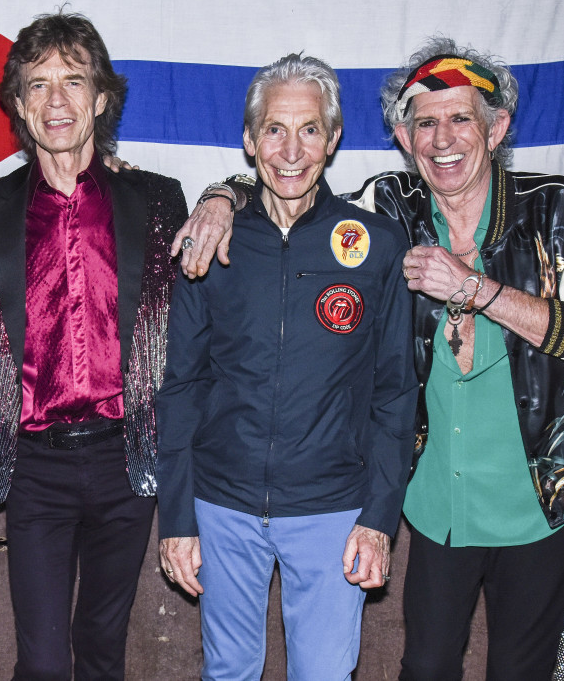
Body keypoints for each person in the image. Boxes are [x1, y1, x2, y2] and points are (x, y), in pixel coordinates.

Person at [173, 39, 564, 680]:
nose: (442, 138)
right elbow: (291, 187)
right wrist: (222, 196)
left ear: (497, 126)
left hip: (541, 495)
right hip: (437, 505)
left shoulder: (556, 209)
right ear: (402, 134)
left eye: (460, 118)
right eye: (425, 122)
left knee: (518, 669)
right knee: (424, 666)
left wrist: (481, 291)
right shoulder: (385, 212)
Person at [0, 12, 188, 681]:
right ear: (19, 105)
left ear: (101, 98)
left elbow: (203, 313)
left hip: (126, 459)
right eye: (38, 84)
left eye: (73, 81)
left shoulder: (158, 200)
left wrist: (230, 191)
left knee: (103, 648)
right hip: (35, 467)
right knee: (45, 662)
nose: (56, 100)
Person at [156, 53, 418, 680]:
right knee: (228, 674)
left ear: (332, 139)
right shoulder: (211, 243)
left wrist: (380, 517)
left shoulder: (376, 245)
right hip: (223, 505)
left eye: (308, 130)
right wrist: (178, 517)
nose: (291, 150)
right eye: (275, 129)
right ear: (250, 141)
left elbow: (395, 394)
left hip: (333, 510)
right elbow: (182, 385)